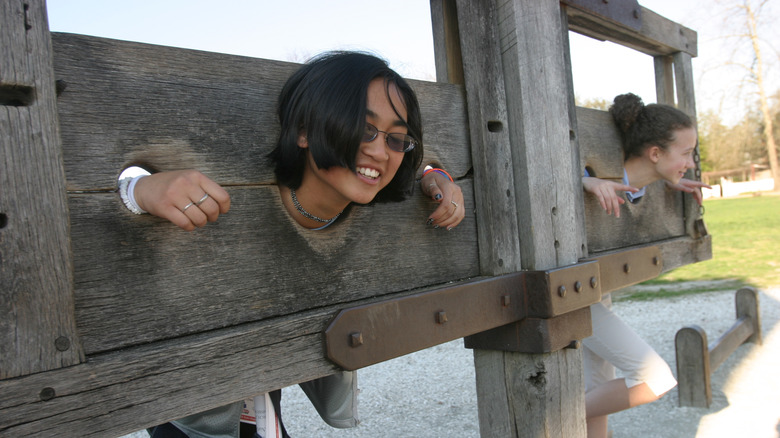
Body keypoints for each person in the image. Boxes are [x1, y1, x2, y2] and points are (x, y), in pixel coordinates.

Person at [118, 51, 464, 438]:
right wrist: (138, 188)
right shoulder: (228, 189)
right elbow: (119, 186)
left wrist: (437, 172)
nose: (381, 152)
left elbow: (422, 165)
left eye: (396, 138)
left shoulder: (383, 188)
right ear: (303, 131)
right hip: (187, 379)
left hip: (265, 375)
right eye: (363, 128)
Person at [580, 93, 709, 438]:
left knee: (597, 385)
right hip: (571, 292)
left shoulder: (639, 187)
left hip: (598, 285)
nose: (691, 163)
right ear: (655, 153)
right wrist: (585, 181)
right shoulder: (593, 176)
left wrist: (669, 179)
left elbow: (632, 189)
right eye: (685, 153)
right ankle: (553, 412)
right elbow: (551, 181)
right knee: (655, 377)